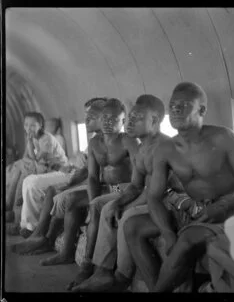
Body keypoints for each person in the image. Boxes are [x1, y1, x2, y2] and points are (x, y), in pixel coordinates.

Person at [124, 82, 234, 292]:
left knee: (187, 240)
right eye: (172, 105)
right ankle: (155, 287)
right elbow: (153, 196)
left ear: (202, 110)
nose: (176, 110)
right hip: (193, 212)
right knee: (133, 226)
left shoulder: (223, 137)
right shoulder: (166, 148)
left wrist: (221, 206)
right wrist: (167, 232)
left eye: (184, 105)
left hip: (229, 213)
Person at [70, 94, 184, 292]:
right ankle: (100, 270)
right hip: (151, 195)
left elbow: (154, 194)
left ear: (155, 121)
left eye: (135, 118)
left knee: (125, 217)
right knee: (108, 208)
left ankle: (119, 276)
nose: (129, 123)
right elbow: (136, 185)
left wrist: (125, 206)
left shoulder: (162, 146)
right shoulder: (142, 149)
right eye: (130, 118)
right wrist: (119, 201)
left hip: (169, 199)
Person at [18, 98, 139, 266]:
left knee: (73, 198)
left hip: (123, 189)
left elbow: (139, 177)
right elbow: (92, 177)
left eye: (113, 119)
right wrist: (91, 199)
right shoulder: (95, 143)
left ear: (123, 121)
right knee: (71, 199)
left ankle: (86, 262)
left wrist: (93, 199)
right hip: (106, 187)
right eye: (105, 118)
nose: (108, 123)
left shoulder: (129, 141)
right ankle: (62, 250)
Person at [9, 98, 108, 238]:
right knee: (28, 179)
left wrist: (71, 172)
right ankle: (26, 225)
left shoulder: (106, 141)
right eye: (85, 115)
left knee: (32, 182)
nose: (86, 119)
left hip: (72, 172)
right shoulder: (94, 140)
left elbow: (89, 171)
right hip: (69, 169)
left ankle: (32, 228)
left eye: (91, 115)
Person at [6, 112, 68, 224]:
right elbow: (26, 157)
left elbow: (35, 159)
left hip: (57, 168)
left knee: (23, 172)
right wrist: (26, 161)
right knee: (20, 166)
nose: (28, 128)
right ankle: (11, 207)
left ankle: (15, 213)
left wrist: (29, 143)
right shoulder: (34, 137)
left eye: (33, 125)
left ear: (41, 126)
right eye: (26, 125)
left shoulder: (46, 139)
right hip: (44, 166)